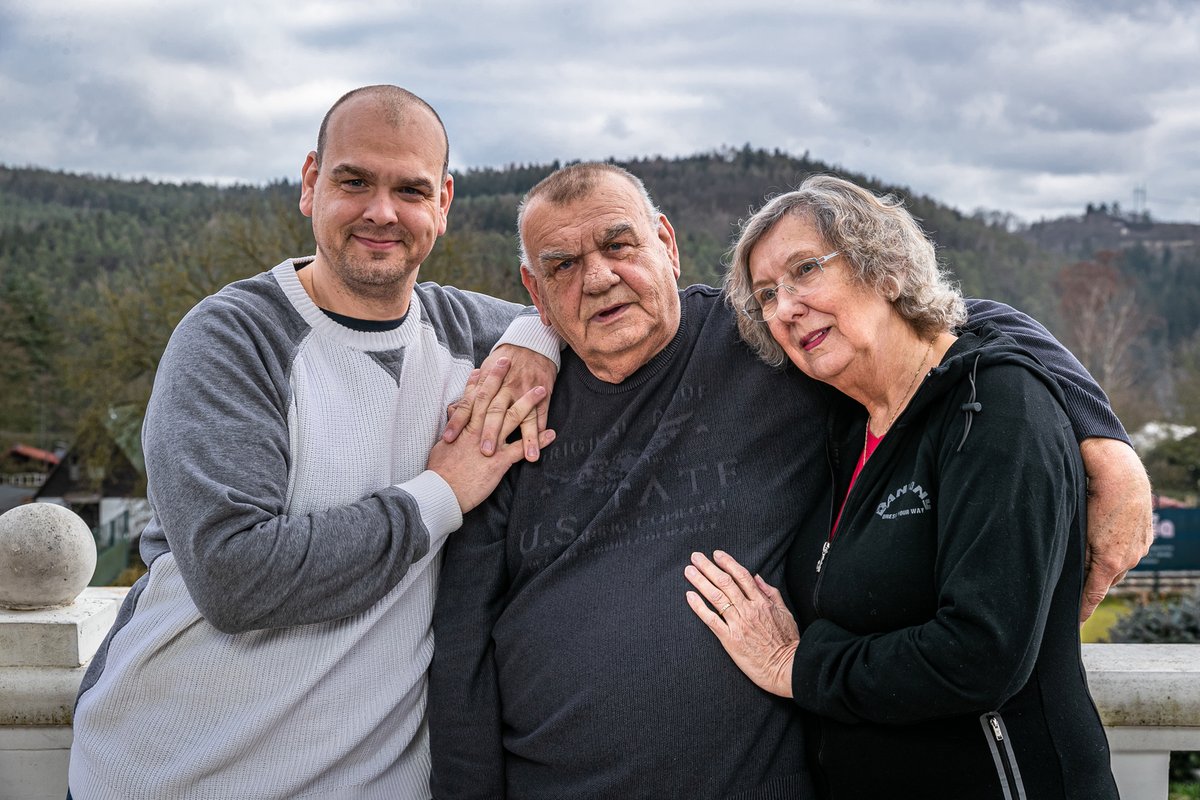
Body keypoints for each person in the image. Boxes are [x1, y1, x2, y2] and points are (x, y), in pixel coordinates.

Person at [427, 164, 1148, 798]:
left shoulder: (766, 353)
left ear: (667, 244)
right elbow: (462, 644)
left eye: (620, 244)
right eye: (561, 265)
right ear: (534, 289)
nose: (600, 277)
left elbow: (933, 332)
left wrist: (1099, 429)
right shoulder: (509, 406)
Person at [67, 85, 560, 800]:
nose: (381, 212)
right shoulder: (234, 337)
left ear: (445, 204)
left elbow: (592, 309)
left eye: (411, 190)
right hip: (167, 773)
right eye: (353, 180)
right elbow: (235, 577)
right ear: (310, 184)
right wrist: (441, 493)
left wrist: (539, 339)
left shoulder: (474, 337)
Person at [684, 175, 1120, 798]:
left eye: (805, 269)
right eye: (767, 296)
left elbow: (979, 654)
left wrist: (797, 665)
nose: (784, 308)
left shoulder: (995, 405)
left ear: (885, 269)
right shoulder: (844, 428)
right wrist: (531, 344)